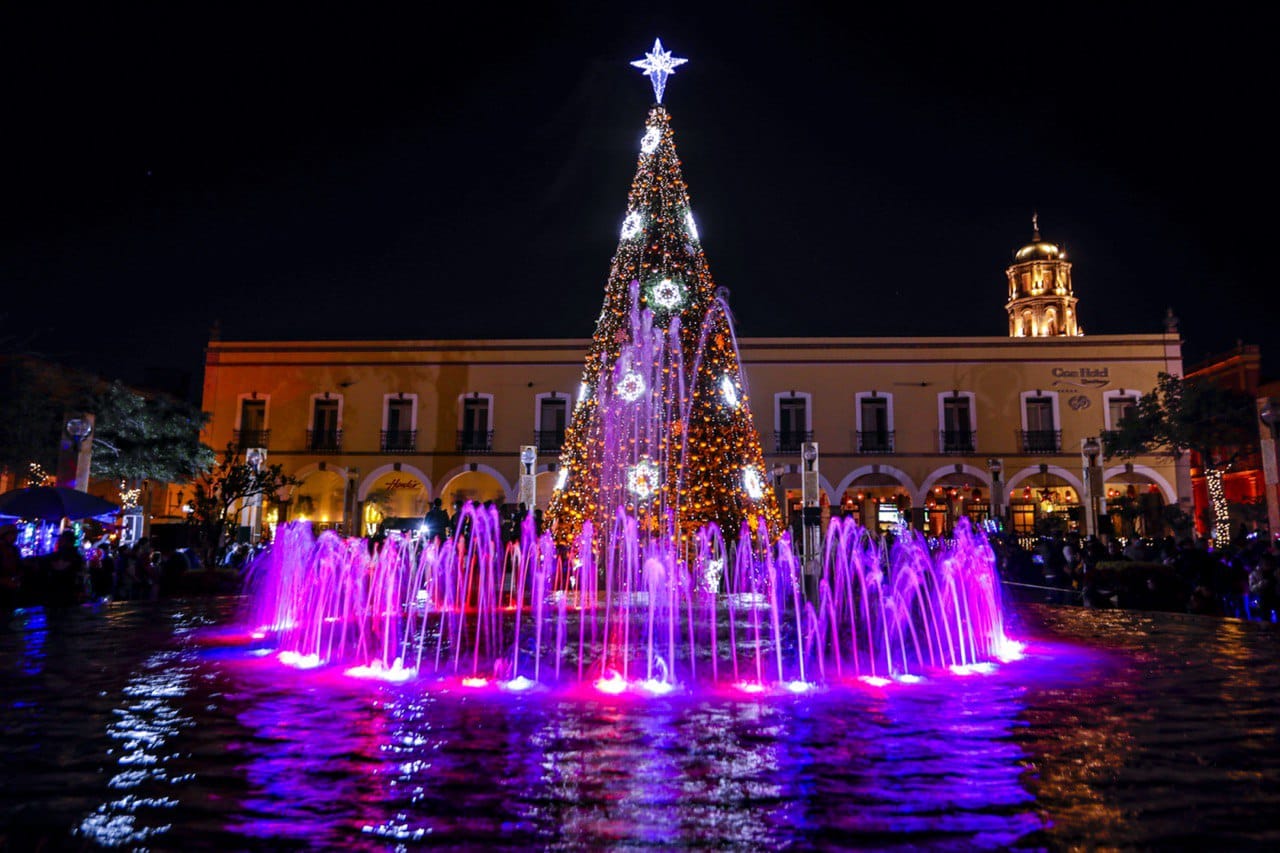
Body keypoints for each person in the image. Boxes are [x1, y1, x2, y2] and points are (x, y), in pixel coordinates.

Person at [46, 529, 86, 608]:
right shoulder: (76, 557)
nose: (59, 541)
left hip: (63, 591)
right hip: (65, 591)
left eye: (61, 540)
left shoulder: (71, 556)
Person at [0, 524, 24, 612]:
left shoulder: (14, 549)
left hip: (11, 588)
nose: (15, 537)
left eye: (16, 534)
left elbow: (18, 566)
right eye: (12, 534)